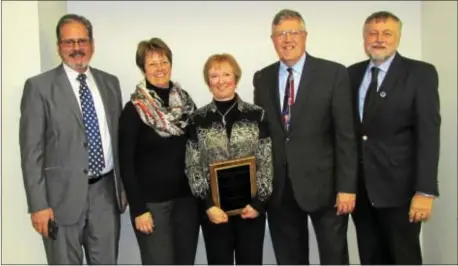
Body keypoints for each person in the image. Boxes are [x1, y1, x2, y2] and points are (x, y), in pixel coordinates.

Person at [19, 13, 126, 264]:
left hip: (105, 195)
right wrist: (38, 205)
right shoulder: (39, 88)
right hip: (59, 200)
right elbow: (31, 152)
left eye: (82, 41)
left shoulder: (110, 83)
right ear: (59, 47)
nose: (76, 48)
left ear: (92, 44)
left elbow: (118, 139)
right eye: (69, 42)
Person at [253, 9, 357, 265]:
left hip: (327, 188)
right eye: (280, 34)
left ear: (305, 35)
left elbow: (345, 135)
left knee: (334, 257)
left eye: (293, 32)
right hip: (280, 190)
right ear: (273, 39)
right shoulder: (262, 77)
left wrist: (347, 187)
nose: (287, 39)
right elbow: (263, 136)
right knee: (289, 259)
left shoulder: (333, 74)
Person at [348, 11, 440, 265]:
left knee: (404, 257)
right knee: (371, 257)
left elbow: (429, 134)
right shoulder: (351, 74)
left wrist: (425, 191)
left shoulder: (420, 73)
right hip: (362, 191)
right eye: (372, 33)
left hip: (401, 191)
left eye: (387, 33)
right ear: (364, 38)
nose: (379, 39)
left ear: (398, 38)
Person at [185, 53, 273, 265]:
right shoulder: (197, 119)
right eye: (214, 75)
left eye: (226, 74)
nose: (221, 80)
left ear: (236, 77)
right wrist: (208, 206)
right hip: (214, 213)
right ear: (208, 82)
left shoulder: (256, 115)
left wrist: (258, 203)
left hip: (250, 212)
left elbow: (266, 161)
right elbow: (192, 166)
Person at [118, 37, 200, 265]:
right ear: (143, 68)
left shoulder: (186, 103)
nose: (159, 68)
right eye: (152, 64)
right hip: (152, 207)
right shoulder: (134, 110)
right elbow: (126, 164)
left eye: (163, 61)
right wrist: (138, 209)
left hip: (186, 201)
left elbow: (198, 148)